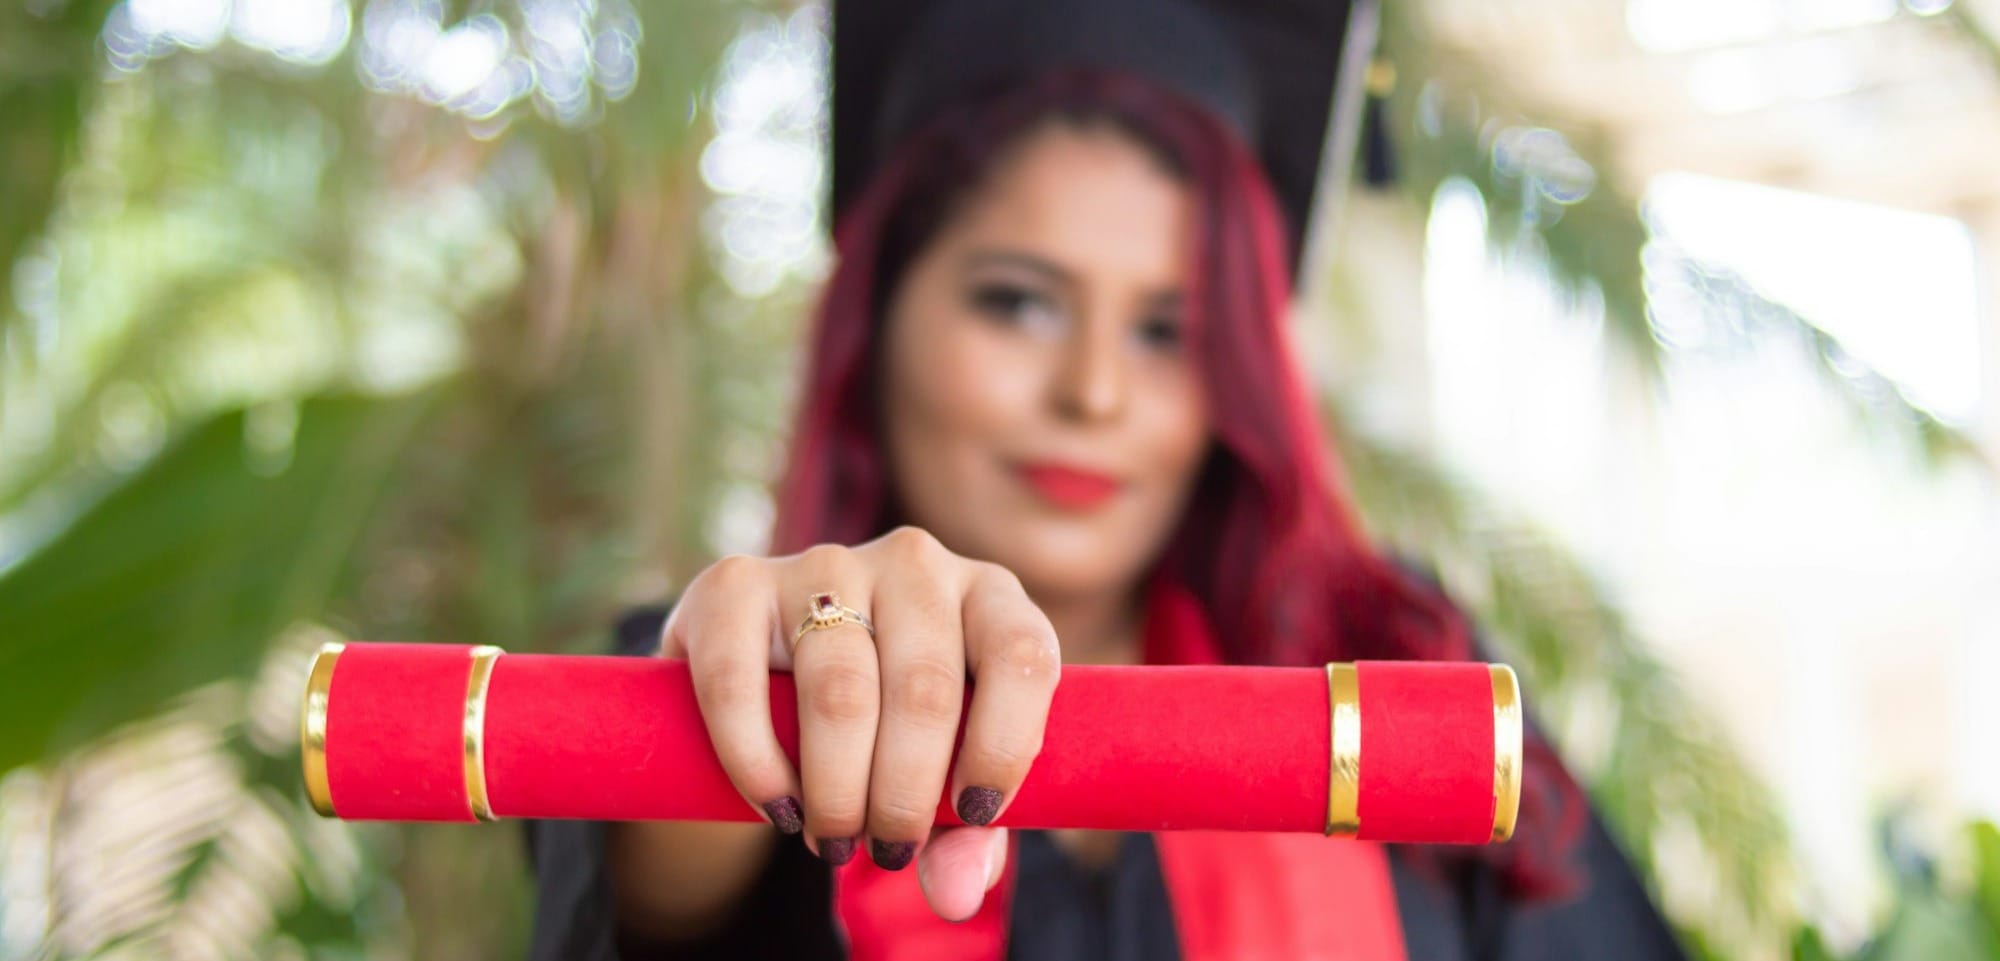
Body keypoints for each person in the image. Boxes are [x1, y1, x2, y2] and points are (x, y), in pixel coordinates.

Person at [529, 0, 1688, 957]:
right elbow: (651, 890)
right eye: (1018, 303)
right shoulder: (756, 672)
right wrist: (765, 697)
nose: (1093, 394)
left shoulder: (1398, 677)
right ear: (876, 322)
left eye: (1167, 330)